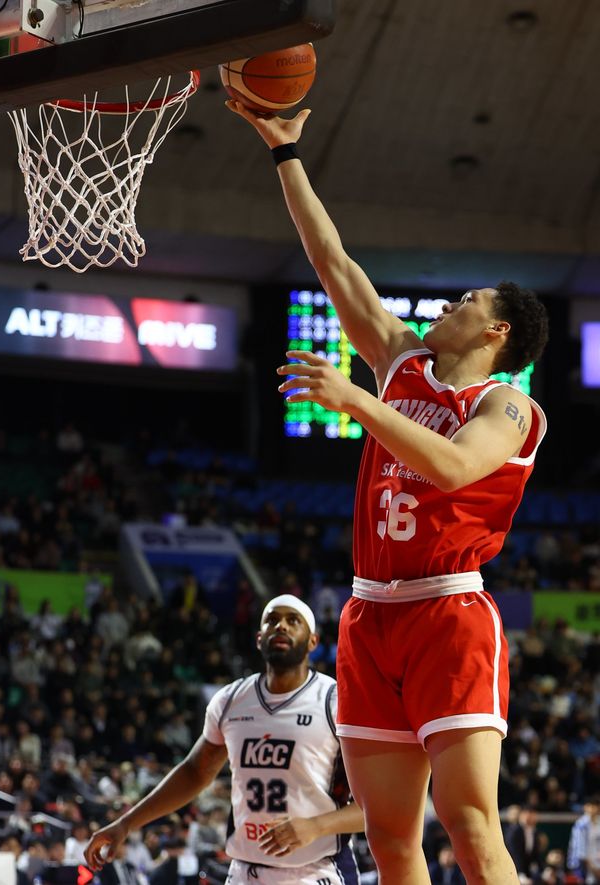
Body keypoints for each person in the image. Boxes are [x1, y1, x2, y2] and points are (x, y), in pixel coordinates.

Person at [226, 100, 549, 885]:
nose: (447, 307)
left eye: (465, 302)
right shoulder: (402, 363)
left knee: (471, 828)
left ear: (497, 332)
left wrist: (357, 403)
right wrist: (286, 153)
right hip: (370, 613)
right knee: (391, 839)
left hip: (449, 612)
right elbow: (333, 261)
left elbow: (454, 468)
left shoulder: (507, 405)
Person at [85, 594, 363, 884]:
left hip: (317, 869)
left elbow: (377, 807)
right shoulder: (231, 700)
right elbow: (195, 772)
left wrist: (315, 826)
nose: (281, 626)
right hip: (245, 871)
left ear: (312, 642)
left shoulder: (336, 702)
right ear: (259, 638)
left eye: (293, 621)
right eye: (272, 620)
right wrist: (126, 824)